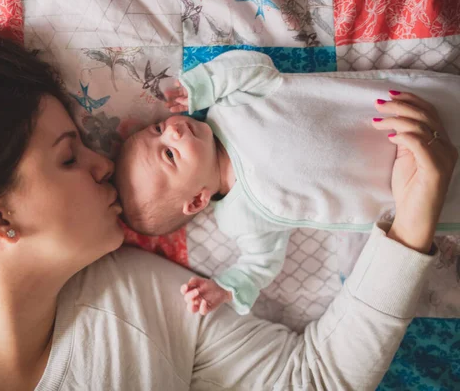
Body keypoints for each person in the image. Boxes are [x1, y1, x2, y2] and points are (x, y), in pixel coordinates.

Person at [0, 33, 456, 391]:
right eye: (69, 157)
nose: (103, 163)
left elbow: (317, 379)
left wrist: (410, 226)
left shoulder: (148, 299)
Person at [114, 50, 460, 315]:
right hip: (405, 189)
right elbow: (260, 262)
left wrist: (202, 85)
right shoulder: (239, 217)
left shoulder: (230, 106)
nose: (172, 130)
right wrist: (227, 287)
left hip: (396, 114)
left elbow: (256, 67)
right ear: (196, 201)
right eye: (170, 155)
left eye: (158, 129)